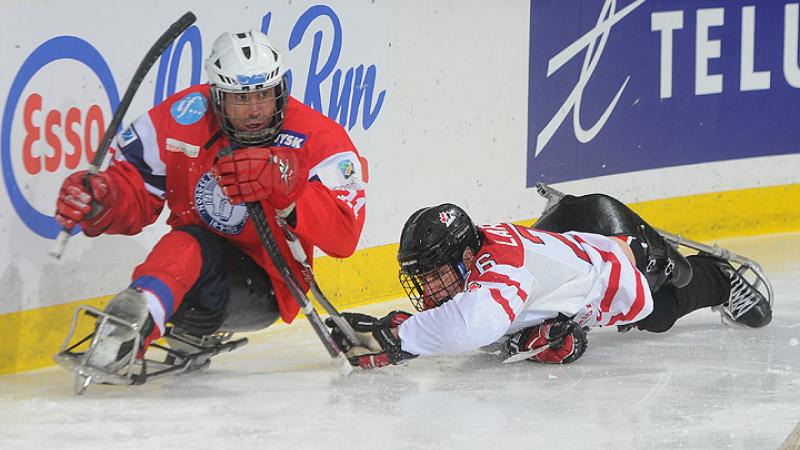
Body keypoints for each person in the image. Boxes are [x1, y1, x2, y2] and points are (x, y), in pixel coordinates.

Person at [54, 29, 366, 375]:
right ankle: (132, 323)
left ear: (281, 89)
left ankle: (138, 328)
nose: (255, 111)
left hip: (266, 282)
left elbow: (345, 236)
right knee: (186, 244)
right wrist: (104, 197)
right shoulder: (184, 116)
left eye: (263, 95)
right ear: (217, 96)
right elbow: (135, 186)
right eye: (240, 99)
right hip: (188, 261)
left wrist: (289, 191)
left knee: (187, 245)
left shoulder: (317, 137)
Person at [326, 198, 772, 369]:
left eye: (435, 273)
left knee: (657, 313)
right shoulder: (478, 253)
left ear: (465, 256)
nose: (430, 286)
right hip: (574, 228)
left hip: (615, 258)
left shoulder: (502, 277)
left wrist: (398, 336)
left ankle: (719, 278)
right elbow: (472, 313)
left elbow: (472, 326)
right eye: (421, 276)